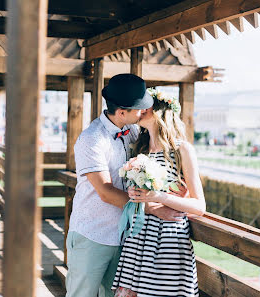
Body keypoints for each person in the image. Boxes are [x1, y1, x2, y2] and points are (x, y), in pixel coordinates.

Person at [66, 74, 185, 297]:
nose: (144, 112)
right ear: (122, 112)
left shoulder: (134, 132)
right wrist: (154, 208)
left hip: (124, 238)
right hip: (92, 235)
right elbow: (106, 192)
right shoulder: (91, 139)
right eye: (140, 109)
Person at [112, 89, 206, 297]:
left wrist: (160, 197)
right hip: (138, 237)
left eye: (145, 104)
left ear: (160, 110)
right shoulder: (140, 150)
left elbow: (200, 206)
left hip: (166, 240)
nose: (139, 109)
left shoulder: (182, 150)